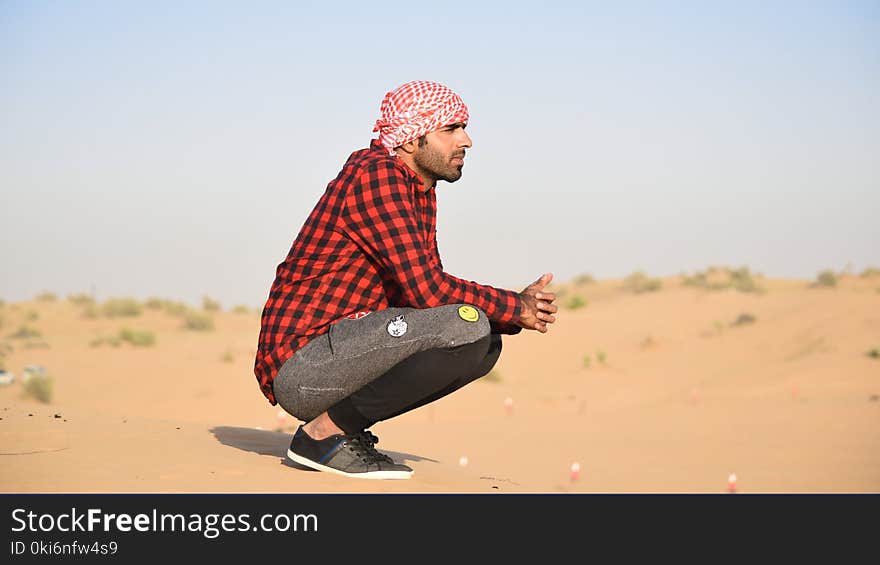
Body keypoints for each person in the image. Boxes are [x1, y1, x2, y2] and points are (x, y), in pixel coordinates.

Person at [254, 80, 558, 480]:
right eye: (450, 129)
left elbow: (423, 296)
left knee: (484, 341)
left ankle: (341, 431)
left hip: (342, 351)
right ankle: (322, 435)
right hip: (303, 365)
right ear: (411, 140)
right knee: (465, 324)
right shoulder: (378, 177)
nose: (466, 141)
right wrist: (514, 306)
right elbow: (429, 291)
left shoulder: (418, 190)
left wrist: (507, 315)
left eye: (463, 127)